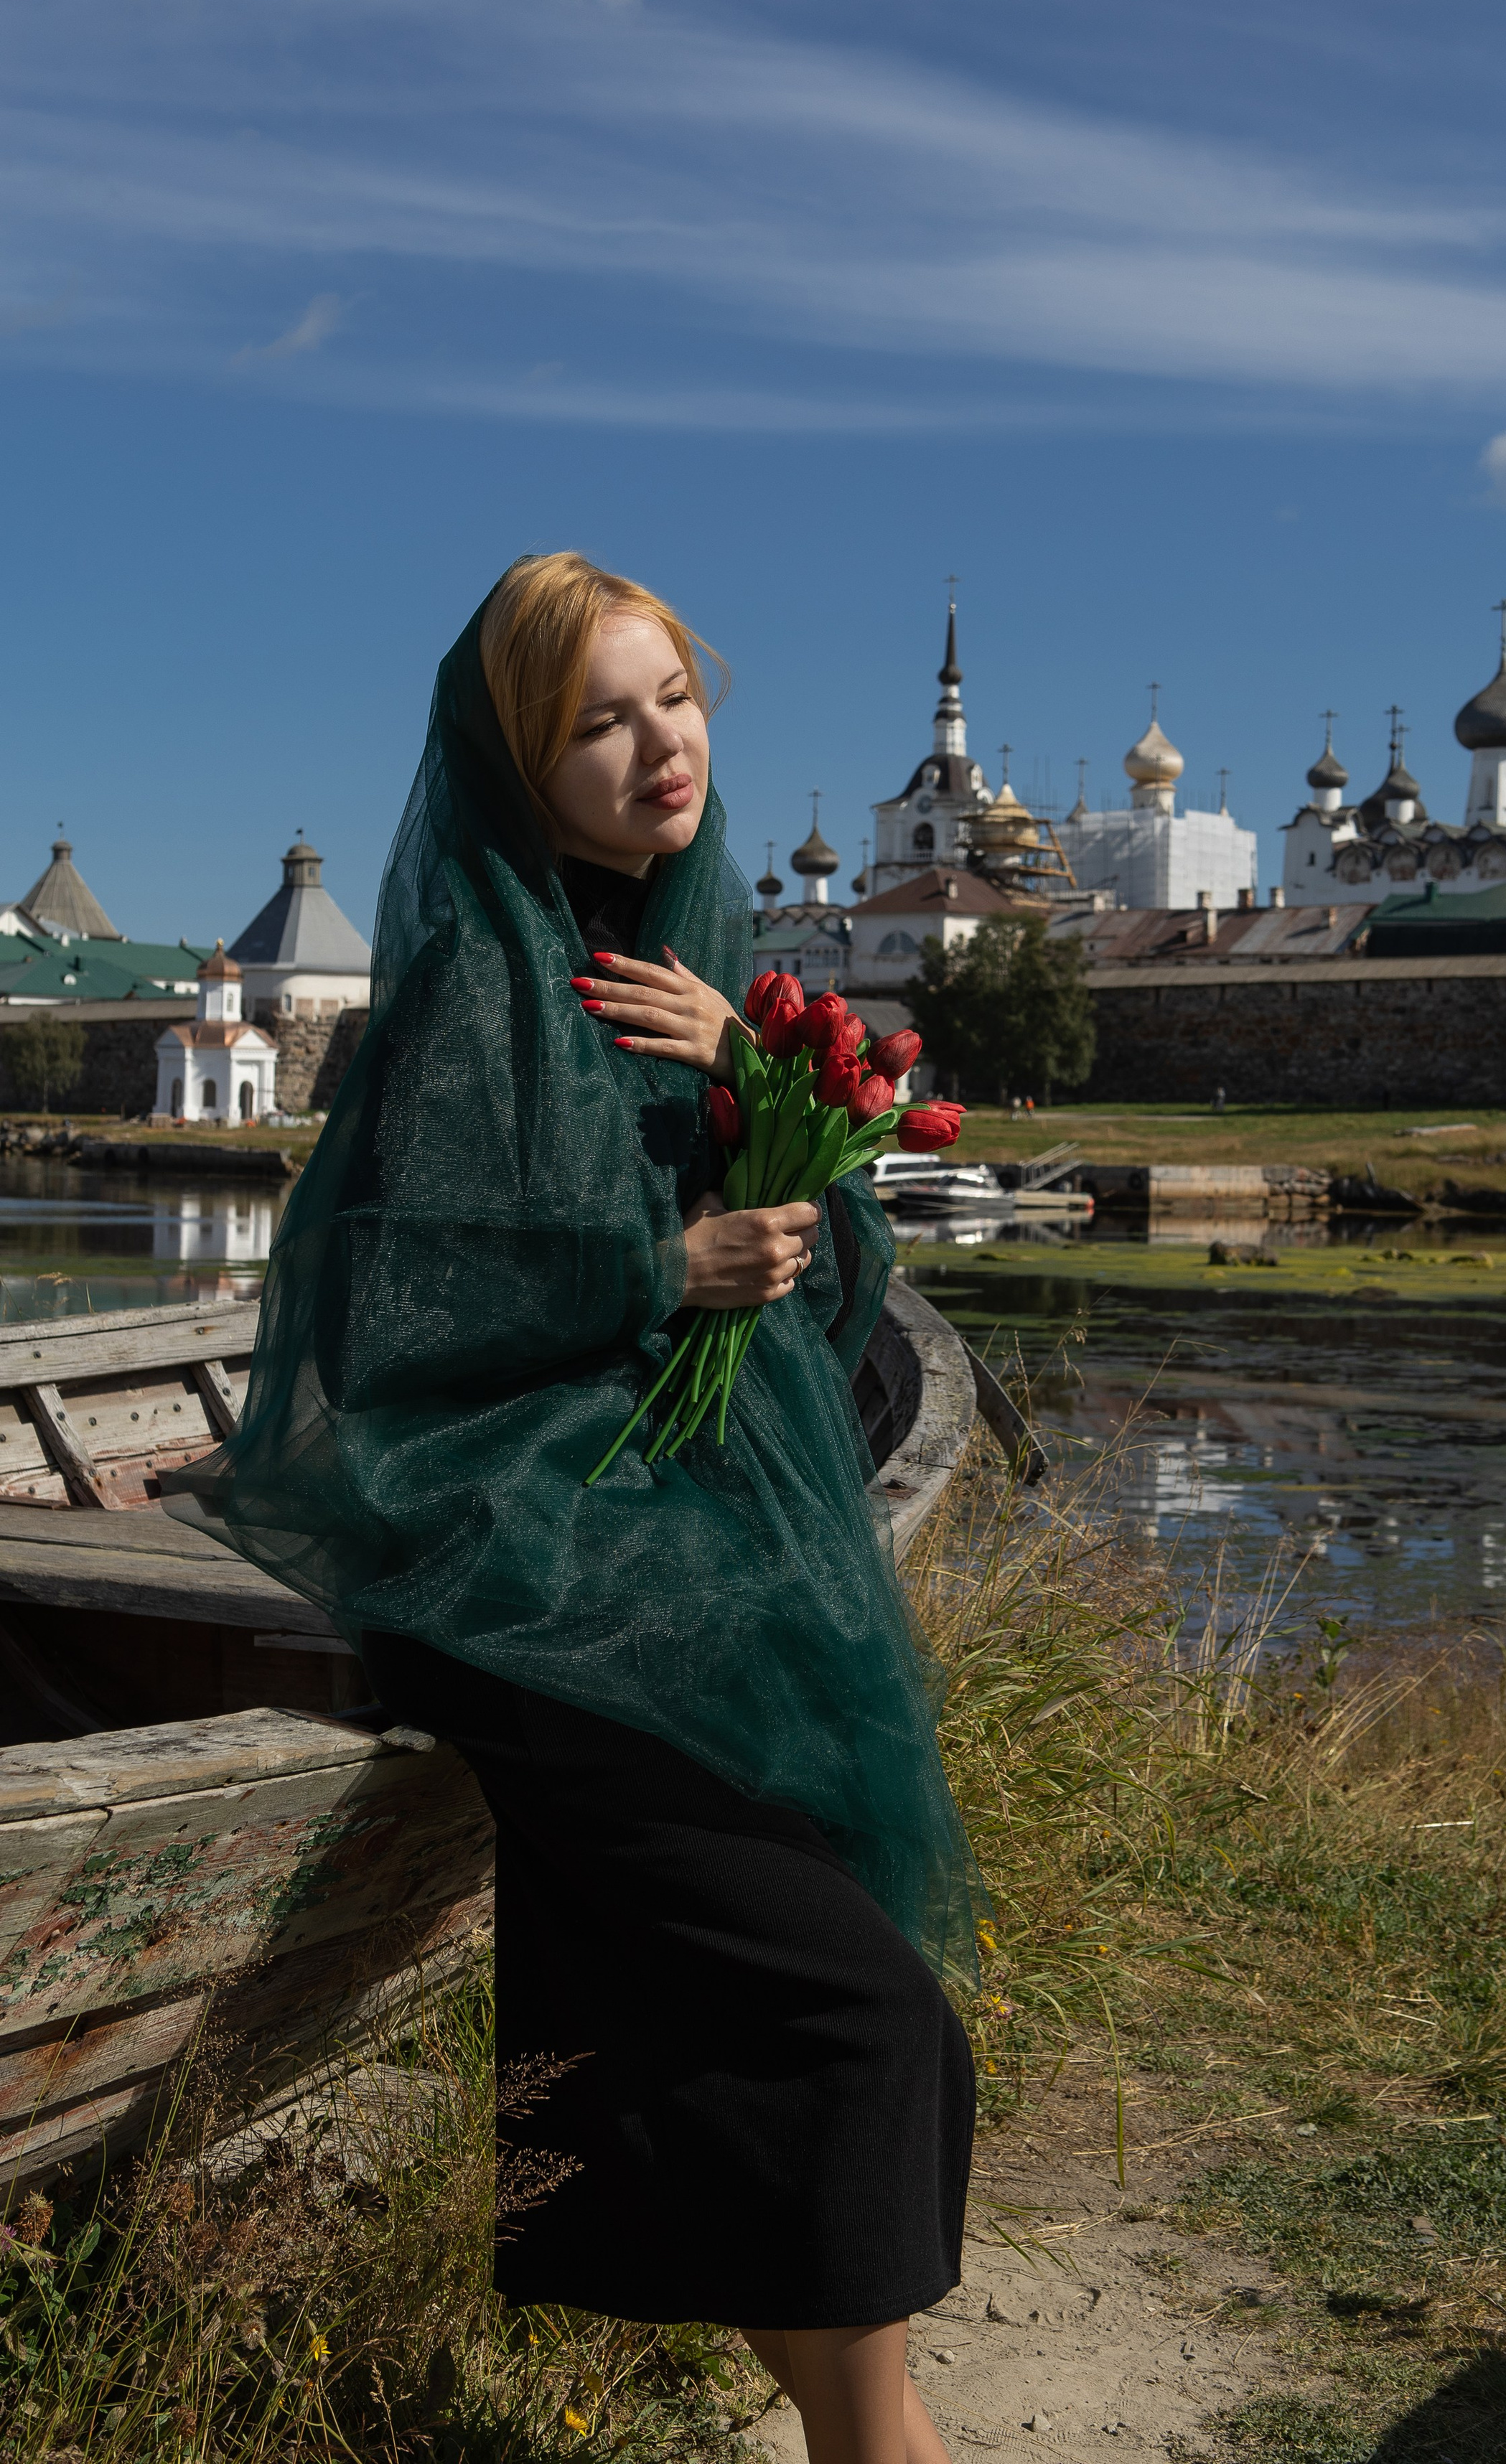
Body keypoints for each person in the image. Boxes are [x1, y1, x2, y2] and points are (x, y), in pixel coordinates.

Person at [168, 554, 980, 2464]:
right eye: (594, 723)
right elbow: (391, 1307)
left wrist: (759, 1100)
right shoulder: (480, 973)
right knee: (855, 2018)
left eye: (670, 700)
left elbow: (840, 1293)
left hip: (675, 1538)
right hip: (527, 1547)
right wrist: (658, 1263)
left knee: (811, 2015)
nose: (652, 749)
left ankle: (881, 2441)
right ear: (523, 768)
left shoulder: (690, 971)